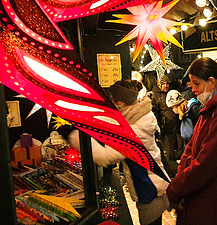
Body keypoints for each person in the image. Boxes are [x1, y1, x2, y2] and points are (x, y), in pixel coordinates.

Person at [69, 79, 170, 225]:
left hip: (149, 189)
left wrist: (78, 137)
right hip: (152, 185)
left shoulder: (134, 131)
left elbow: (106, 157)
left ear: (126, 102)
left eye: (116, 101)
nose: (113, 105)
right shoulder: (139, 117)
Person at [166, 58, 217, 225]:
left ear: (212, 82)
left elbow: (207, 161)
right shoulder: (209, 109)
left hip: (212, 198)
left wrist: (175, 189)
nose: (193, 89)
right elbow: (190, 148)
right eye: (191, 84)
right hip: (197, 193)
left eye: (196, 83)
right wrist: (181, 179)